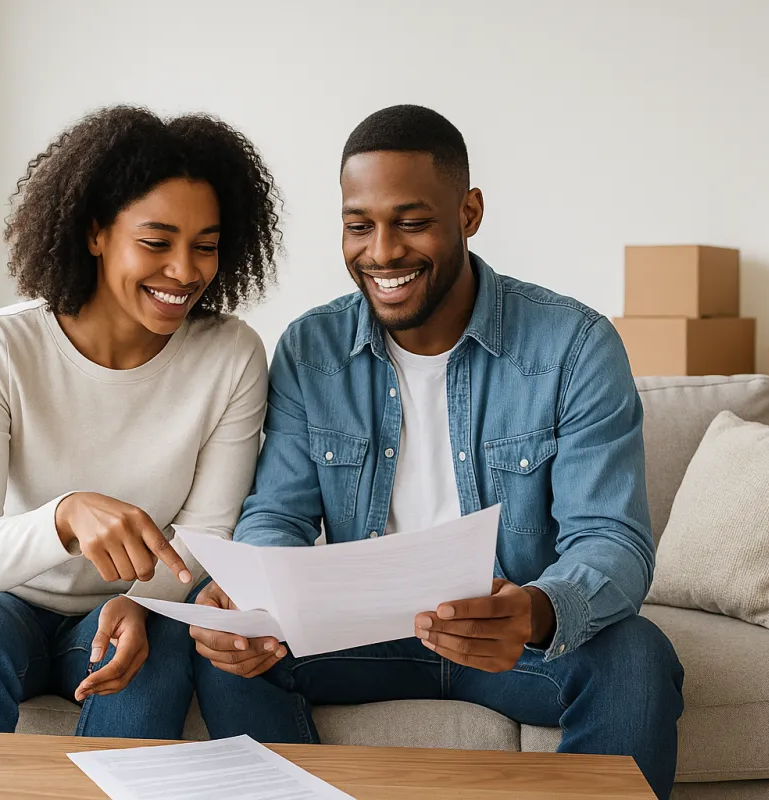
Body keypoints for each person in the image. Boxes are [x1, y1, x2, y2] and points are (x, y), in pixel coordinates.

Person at [187, 105, 684, 799]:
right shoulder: (310, 350)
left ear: (469, 212)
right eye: (359, 225)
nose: (382, 251)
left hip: (505, 639)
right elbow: (277, 513)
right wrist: (255, 595)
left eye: (411, 222)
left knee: (636, 656)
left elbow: (613, 540)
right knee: (221, 652)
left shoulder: (574, 346)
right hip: (355, 637)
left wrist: (537, 609)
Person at [0, 105, 280, 738]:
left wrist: (138, 601)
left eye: (204, 247)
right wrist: (65, 515)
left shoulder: (231, 355)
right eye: (156, 242)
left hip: (121, 609)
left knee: (160, 653)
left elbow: (208, 534)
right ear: (96, 232)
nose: (185, 271)